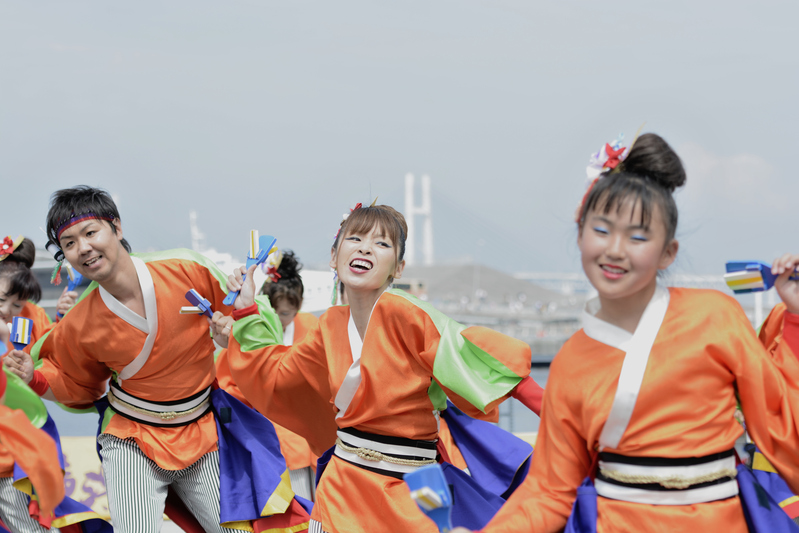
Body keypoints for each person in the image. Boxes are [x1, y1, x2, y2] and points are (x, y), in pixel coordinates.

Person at [455, 133, 799, 533]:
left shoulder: (715, 316)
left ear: (667, 251)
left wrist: (795, 319)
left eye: (638, 236)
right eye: (602, 230)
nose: (616, 249)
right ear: (580, 233)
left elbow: (782, 429)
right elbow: (548, 492)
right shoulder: (571, 362)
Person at [221, 202, 544, 533]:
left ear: (398, 268)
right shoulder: (329, 326)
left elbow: (478, 360)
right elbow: (277, 374)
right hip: (341, 489)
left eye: (382, 243)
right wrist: (246, 311)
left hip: (412, 491)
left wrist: (563, 418)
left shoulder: (409, 315)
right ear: (334, 257)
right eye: (355, 238)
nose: (365, 247)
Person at [5, 186, 311, 533]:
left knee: (239, 529)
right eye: (69, 243)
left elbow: (251, 334)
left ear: (117, 228)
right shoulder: (79, 322)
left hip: (202, 431)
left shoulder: (186, 268)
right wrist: (35, 377)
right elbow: (79, 385)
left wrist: (243, 312)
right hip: (130, 437)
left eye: (91, 232)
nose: (83, 247)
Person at [0, 236, 110, 533]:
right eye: (2, 300)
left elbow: (51, 355)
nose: (8, 309)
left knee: (25, 520)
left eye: (16, 303)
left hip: (14, 441)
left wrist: (61, 318)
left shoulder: (28, 317)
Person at [215, 250, 323, 501]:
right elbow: (229, 382)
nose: (279, 320)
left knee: (308, 507)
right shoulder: (247, 324)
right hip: (261, 429)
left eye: (286, 314)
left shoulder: (312, 328)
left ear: (299, 306)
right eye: (273, 312)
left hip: (302, 433)